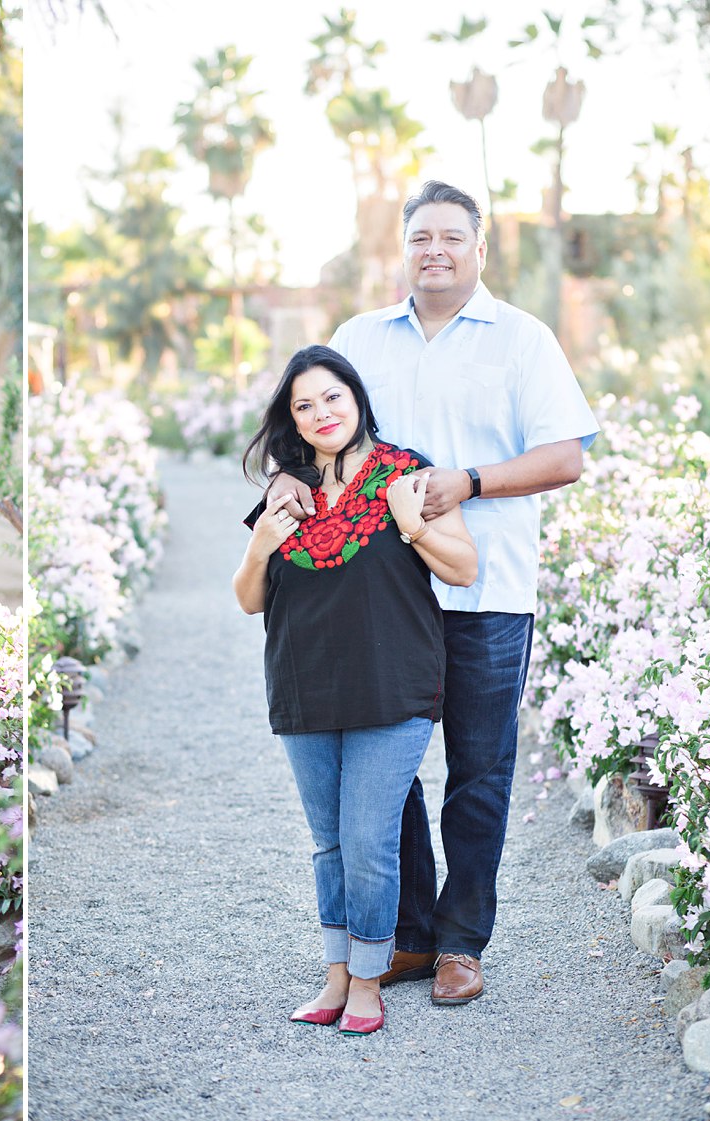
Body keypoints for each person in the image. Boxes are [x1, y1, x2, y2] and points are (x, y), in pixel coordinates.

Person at [268, 181, 599, 1005]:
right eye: (421, 237)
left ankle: (460, 943)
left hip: (485, 593)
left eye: (453, 236)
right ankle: (407, 932)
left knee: (480, 772)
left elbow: (565, 456)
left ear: (480, 250)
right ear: (403, 248)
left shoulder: (522, 340)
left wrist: (470, 481)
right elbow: (315, 429)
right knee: (387, 776)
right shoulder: (359, 338)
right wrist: (289, 490)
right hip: (377, 603)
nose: (436, 250)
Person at [234, 345, 477, 1035]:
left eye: (332, 396)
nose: (321, 413)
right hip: (303, 685)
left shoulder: (408, 474)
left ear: (357, 397)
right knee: (329, 843)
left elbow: (463, 567)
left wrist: (413, 522)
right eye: (304, 404)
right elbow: (249, 598)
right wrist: (259, 546)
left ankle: (368, 978)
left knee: (369, 840)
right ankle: (336, 972)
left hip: (393, 687)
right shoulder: (288, 491)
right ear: (293, 419)